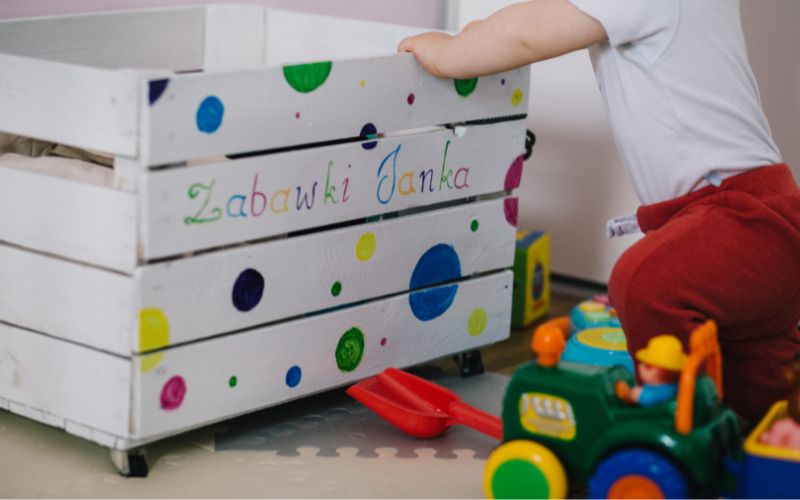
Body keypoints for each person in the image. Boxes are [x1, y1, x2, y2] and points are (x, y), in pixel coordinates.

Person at [399, 0, 800, 423]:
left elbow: (527, 32)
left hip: (737, 217)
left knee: (643, 283)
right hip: (765, 219)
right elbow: (532, 25)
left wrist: (449, 54)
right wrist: (476, 37)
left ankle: (668, 427)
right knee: (758, 388)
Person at [615, 335, 685, 407]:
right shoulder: (677, 387)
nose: (640, 366)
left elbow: (633, 397)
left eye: (648, 366)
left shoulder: (646, 395)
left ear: (662, 374)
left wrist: (628, 394)